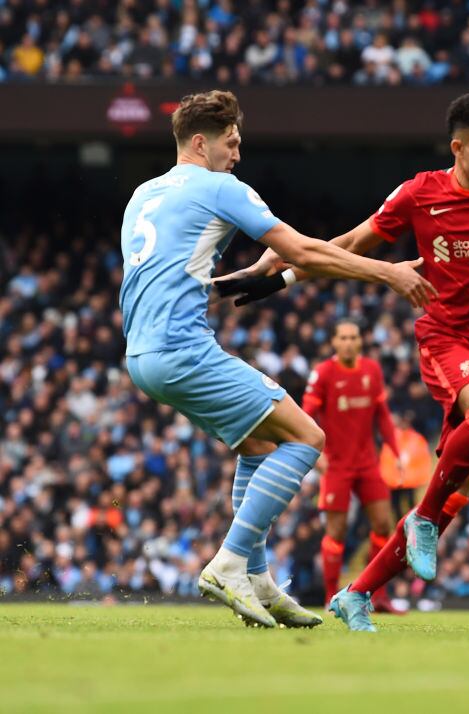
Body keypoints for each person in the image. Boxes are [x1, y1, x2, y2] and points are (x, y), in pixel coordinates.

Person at [217, 91, 469, 631]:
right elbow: (356, 242)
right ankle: (425, 522)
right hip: (446, 336)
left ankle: (358, 593)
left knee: (464, 484)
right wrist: (286, 276)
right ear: (458, 147)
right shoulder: (420, 193)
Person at [118, 89, 436, 628]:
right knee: (308, 437)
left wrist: (249, 278)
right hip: (182, 349)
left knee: (260, 444)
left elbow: (172, 280)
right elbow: (305, 251)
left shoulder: (144, 194)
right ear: (201, 142)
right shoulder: (221, 187)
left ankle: (259, 581)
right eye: (231, 142)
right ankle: (229, 562)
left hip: (141, 354)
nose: (238, 154)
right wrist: (390, 273)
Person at [304, 320, 402, 611]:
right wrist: (315, 454)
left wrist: (395, 451)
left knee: (385, 525)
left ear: (360, 341)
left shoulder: (372, 370)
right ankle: (330, 598)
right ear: (334, 342)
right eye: (343, 337)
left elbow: (382, 415)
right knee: (336, 532)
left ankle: (378, 596)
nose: (348, 342)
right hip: (336, 465)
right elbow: (306, 415)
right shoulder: (323, 374)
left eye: (353, 337)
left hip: (368, 462)